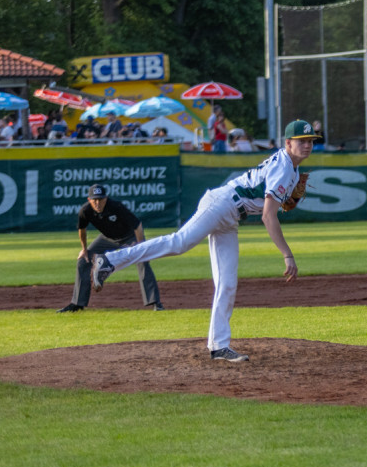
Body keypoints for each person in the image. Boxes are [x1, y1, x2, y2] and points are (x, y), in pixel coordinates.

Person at [92, 119, 321, 362]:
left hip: (231, 218)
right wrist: (287, 253)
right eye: (301, 141)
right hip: (222, 204)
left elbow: (274, 203)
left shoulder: (291, 170)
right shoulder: (285, 167)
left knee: (227, 282)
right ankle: (109, 260)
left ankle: (219, 345)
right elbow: (268, 215)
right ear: (288, 143)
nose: (307, 146)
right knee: (179, 243)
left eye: (310, 141)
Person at [57, 185, 163, 314]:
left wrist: (141, 247)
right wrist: (84, 249)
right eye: (94, 200)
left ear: (106, 199)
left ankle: (155, 303)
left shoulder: (116, 206)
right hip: (107, 239)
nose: (98, 203)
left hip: (129, 237)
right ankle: (77, 303)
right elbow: (82, 230)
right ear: (89, 199)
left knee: (142, 261)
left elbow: (137, 225)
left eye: (100, 199)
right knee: (83, 261)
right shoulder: (85, 210)